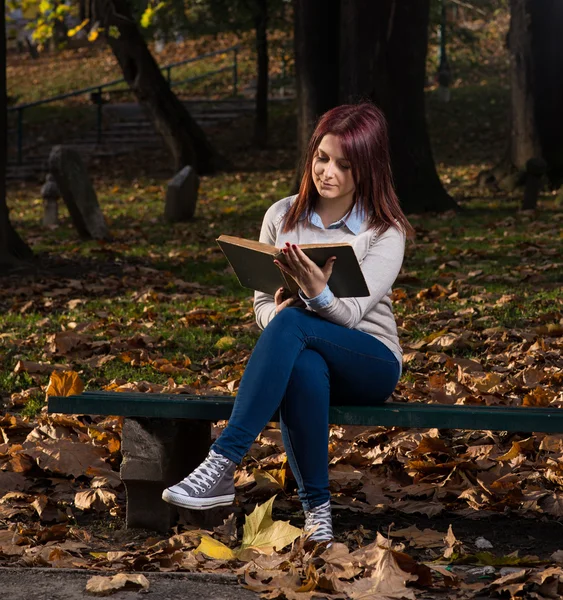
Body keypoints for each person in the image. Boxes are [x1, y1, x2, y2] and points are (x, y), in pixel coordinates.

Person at [162, 103, 415, 543]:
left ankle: (221, 463)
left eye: (344, 164)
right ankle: (318, 515)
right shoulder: (282, 215)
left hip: (369, 360)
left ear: (368, 169)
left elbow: (350, 315)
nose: (327, 172)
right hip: (305, 350)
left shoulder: (383, 231)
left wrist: (314, 294)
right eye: (321, 157)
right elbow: (262, 303)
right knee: (300, 362)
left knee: (297, 322)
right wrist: (274, 315)